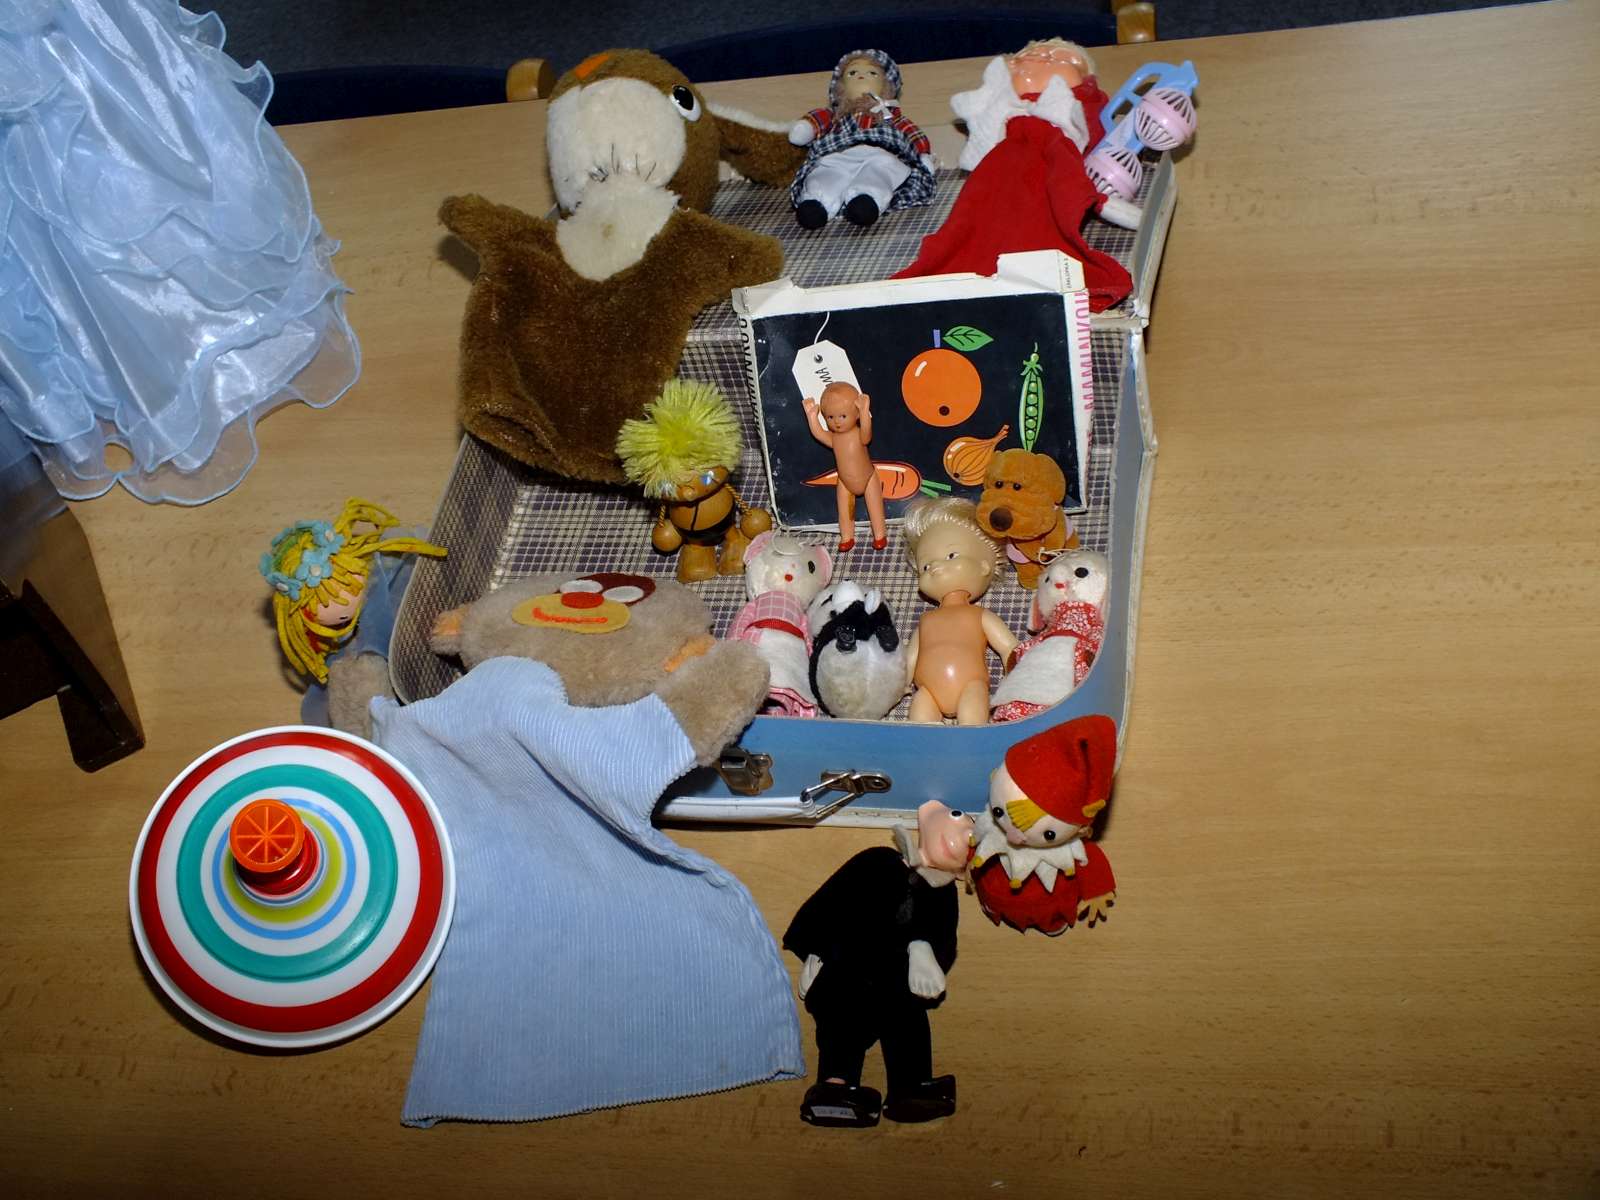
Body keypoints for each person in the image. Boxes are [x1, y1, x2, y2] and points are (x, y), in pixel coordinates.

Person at [892, 39, 1140, 312]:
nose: (1039, 57)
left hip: (1034, 192)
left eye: (1058, 58)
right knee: (969, 225)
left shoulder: (1055, 131)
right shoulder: (1006, 123)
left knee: (1034, 231)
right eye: (1027, 55)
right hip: (994, 177)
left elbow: (1067, 178)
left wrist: (1098, 201)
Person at [784, 801, 973, 1127]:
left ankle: (910, 1086)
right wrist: (815, 950)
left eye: (972, 840)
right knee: (840, 1026)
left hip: (897, 981)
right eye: (959, 819)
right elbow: (832, 900)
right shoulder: (877, 861)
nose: (963, 837)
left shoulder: (943, 894)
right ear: (927, 817)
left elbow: (945, 936)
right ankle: (834, 1087)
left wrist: (925, 951)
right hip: (847, 967)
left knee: (907, 1026)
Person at [788, 48, 936, 229]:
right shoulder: (835, 116)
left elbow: (912, 133)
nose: (861, 76)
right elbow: (813, 123)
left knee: (879, 174)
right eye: (852, 73)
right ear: (840, 87)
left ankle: (866, 200)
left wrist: (923, 155)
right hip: (837, 156)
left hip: (879, 157)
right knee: (824, 175)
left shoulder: (889, 117)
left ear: (887, 86)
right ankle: (816, 204)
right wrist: (805, 129)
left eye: (872, 73)